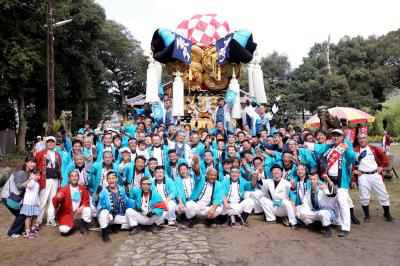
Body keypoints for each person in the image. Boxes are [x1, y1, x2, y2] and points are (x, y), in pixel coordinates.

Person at [304, 129, 359, 237]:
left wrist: (358, 157)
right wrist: (306, 144)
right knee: (333, 202)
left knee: (343, 203)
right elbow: (319, 148)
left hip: (341, 181)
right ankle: (337, 222)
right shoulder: (329, 147)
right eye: (334, 135)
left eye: (338, 135)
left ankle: (345, 227)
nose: (336, 137)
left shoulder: (344, 147)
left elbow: (352, 155)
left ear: (342, 137)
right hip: (329, 180)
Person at [353, 132, 393, 222]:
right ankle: (367, 216)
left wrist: (381, 166)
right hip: (362, 176)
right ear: (358, 140)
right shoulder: (354, 150)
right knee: (364, 196)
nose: (362, 140)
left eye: (364, 138)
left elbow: (385, 159)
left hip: (375, 175)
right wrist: (353, 170)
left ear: (367, 139)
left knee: (383, 194)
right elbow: (348, 162)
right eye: (360, 138)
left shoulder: (374, 149)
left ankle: (387, 214)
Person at [2, 154, 40, 238]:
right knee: (22, 214)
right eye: (30, 162)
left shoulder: (29, 172)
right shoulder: (21, 172)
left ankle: (22, 230)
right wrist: (30, 180)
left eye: (34, 162)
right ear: (26, 163)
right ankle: (12, 232)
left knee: (24, 214)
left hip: (15, 197)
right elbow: (19, 187)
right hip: (9, 197)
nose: (33, 164)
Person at [97, 171, 135, 243]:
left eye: (113, 178)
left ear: (117, 179)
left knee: (133, 222)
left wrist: (134, 205)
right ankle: (105, 233)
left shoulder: (121, 189)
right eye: (109, 178)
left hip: (118, 215)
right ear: (107, 180)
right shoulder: (103, 191)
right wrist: (97, 196)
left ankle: (116, 226)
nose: (111, 180)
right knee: (104, 212)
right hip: (108, 216)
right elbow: (99, 206)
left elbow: (126, 201)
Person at [52, 170, 92, 235]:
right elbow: (55, 202)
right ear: (69, 178)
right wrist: (58, 198)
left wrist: (81, 207)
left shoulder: (82, 188)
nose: (74, 178)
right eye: (72, 176)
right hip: (67, 213)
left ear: (78, 178)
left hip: (78, 212)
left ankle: (83, 227)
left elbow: (86, 201)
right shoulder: (63, 189)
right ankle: (69, 225)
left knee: (88, 210)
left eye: (76, 176)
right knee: (64, 231)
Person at [259, 164, 298, 229]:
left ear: (281, 172)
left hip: (284, 208)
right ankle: (271, 219)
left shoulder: (286, 182)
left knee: (286, 201)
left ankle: (293, 222)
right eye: (274, 170)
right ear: (271, 173)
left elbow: (293, 191)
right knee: (262, 199)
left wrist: (293, 185)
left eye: (278, 170)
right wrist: (259, 172)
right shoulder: (269, 181)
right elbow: (260, 181)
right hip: (274, 206)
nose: (276, 171)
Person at [297, 174, 336, 238]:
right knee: (299, 214)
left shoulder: (323, 188)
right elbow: (305, 205)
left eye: (314, 179)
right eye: (311, 179)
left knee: (322, 213)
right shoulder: (308, 192)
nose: (312, 181)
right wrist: (303, 213)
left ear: (318, 180)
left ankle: (327, 229)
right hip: (315, 212)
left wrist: (328, 181)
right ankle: (316, 225)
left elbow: (333, 193)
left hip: (327, 212)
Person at [36, 136, 62, 227]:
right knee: (42, 201)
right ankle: (37, 221)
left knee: (52, 200)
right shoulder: (40, 153)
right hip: (44, 180)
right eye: (48, 142)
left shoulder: (57, 154)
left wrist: (59, 180)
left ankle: (50, 219)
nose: (50, 143)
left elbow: (59, 167)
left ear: (55, 143)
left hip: (55, 180)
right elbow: (36, 166)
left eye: (52, 142)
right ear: (45, 143)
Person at [19, 170, 41, 238]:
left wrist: (38, 201)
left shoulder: (37, 184)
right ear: (32, 175)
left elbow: (36, 194)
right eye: (36, 174)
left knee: (35, 216)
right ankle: (27, 231)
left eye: (39, 175)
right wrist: (31, 178)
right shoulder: (31, 182)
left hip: (34, 203)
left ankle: (33, 228)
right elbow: (30, 186)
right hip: (28, 203)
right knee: (28, 217)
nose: (38, 176)